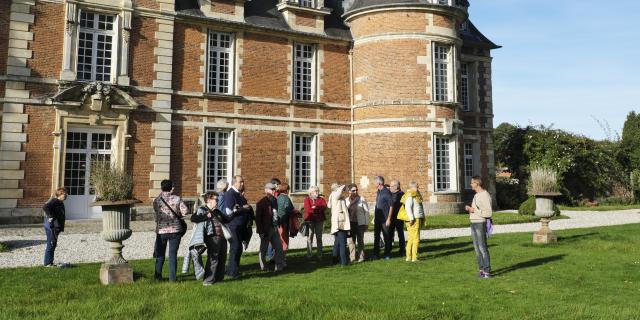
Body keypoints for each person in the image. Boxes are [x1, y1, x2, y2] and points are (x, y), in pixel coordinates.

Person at [153, 179, 189, 281]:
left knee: (160, 254)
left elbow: (156, 212)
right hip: (175, 230)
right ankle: (172, 278)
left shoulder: (157, 200)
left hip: (161, 230)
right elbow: (185, 211)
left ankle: (157, 276)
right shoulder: (177, 199)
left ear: (162, 187)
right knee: (173, 255)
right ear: (171, 188)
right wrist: (178, 214)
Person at [223, 175, 252, 279]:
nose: (242, 184)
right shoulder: (230, 194)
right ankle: (232, 272)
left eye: (243, 182)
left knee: (238, 249)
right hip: (233, 225)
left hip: (240, 225)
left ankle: (234, 270)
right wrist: (243, 208)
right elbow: (229, 211)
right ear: (234, 182)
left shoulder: (238, 194)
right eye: (241, 182)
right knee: (235, 248)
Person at [465, 176, 493, 279]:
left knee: (482, 248)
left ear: (477, 183)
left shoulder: (485, 195)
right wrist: (470, 209)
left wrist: (474, 210)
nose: (470, 184)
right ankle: (481, 270)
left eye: (472, 183)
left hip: (480, 223)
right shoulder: (477, 195)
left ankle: (487, 271)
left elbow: (489, 213)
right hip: (473, 222)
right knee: (477, 249)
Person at [255, 183, 285, 271]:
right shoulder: (261, 203)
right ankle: (263, 266)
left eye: (274, 189)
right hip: (265, 230)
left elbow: (275, 213)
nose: (274, 191)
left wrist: (278, 222)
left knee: (279, 247)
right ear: (266, 190)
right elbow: (258, 219)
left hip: (274, 228)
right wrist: (261, 231)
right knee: (263, 249)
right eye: (272, 189)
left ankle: (279, 266)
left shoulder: (275, 200)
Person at [42, 187, 67, 267]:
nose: (66, 195)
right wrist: (50, 216)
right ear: (60, 194)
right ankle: (47, 263)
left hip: (55, 227)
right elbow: (45, 207)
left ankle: (50, 262)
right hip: (51, 227)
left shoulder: (60, 202)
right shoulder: (55, 201)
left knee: (53, 244)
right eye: (65, 193)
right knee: (51, 243)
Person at [345, 184, 369, 263]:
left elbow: (366, 212)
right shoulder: (346, 201)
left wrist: (366, 223)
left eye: (356, 190)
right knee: (351, 241)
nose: (355, 192)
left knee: (360, 241)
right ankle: (352, 257)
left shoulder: (361, 199)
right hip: (350, 223)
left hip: (360, 223)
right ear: (349, 191)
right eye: (353, 190)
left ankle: (361, 257)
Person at [303, 185, 327, 259]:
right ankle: (309, 254)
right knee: (310, 237)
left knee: (319, 237)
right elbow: (308, 210)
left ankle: (319, 254)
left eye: (317, 191)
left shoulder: (321, 199)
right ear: (311, 192)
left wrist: (315, 208)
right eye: (315, 191)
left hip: (319, 220)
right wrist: (318, 209)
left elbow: (324, 207)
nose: (317, 192)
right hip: (310, 220)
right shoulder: (307, 199)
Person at [329, 184, 350, 265]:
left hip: (339, 222)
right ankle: (344, 262)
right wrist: (343, 186)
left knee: (337, 242)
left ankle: (334, 260)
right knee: (342, 243)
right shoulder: (335, 195)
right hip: (340, 222)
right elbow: (339, 192)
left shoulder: (336, 196)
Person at [403, 181, 425, 262]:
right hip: (414, 219)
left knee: (411, 238)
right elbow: (408, 207)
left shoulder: (413, 195)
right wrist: (411, 218)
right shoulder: (410, 195)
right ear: (412, 187)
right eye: (416, 187)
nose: (418, 188)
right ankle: (414, 257)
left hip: (414, 218)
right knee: (415, 239)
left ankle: (409, 257)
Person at [373, 176, 393, 260]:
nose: (374, 184)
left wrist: (389, 218)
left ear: (379, 183)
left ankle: (387, 254)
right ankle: (376, 254)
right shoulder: (379, 191)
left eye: (374, 182)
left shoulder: (386, 192)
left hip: (385, 219)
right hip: (377, 219)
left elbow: (391, 206)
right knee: (376, 236)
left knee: (386, 236)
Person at [276, 183, 294, 266]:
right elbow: (289, 209)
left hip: (277, 222)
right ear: (286, 190)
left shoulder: (277, 197)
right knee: (284, 241)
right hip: (284, 222)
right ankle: (282, 261)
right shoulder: (286, 198)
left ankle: (277, 259)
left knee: (278, 241)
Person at [389, 180, 405, 256]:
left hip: (399, 217)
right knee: (390, 234)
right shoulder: (390, 194)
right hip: (391, 217)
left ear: (396, 187)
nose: (390, 188)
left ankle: (402, 250)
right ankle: (388, 249)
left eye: (391, 186)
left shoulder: (402, 194)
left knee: (400, 234)